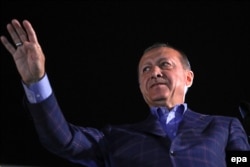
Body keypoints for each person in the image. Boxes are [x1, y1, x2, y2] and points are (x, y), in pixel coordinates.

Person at [1, 19, 249, 167]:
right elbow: (61, 139)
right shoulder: (114, 138)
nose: (154, 73)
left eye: (165, 65)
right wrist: (36, 80)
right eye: (146, 69)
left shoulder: (224, 126)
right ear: (141, 86)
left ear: (188, 77)